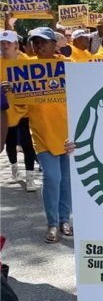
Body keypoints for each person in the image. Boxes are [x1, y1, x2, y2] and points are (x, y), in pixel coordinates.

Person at [25, 27, 73, 242]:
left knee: (66, 181)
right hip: (42, 133)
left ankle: (64, 220)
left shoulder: (69, 67)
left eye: (44, 41)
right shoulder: (24, 69)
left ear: (55, 44)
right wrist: (9, 94)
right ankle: (52, 224)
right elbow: (19, 106)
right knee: (52, 178)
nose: (39, 46)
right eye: (35, 42)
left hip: (68, 134)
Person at [1, 30, 37, 191]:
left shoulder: (27, 61)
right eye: (2, 43)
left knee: (27, 143)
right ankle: (15, 170)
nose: (5, 45)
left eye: (8, 42)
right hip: (6, 111)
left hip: (25, 110)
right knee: (9, 143)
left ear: (16, 45)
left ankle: (30, 177)